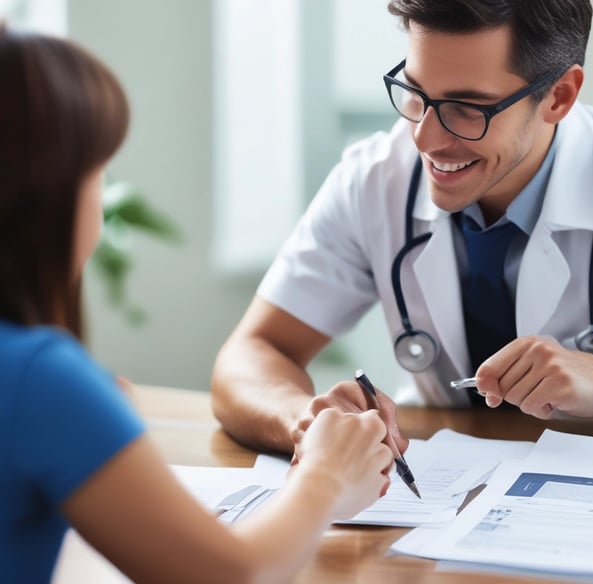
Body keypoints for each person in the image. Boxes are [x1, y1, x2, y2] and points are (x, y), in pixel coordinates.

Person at [211, 0, 593, 454]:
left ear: (559, 96)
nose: (425, 138)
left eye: (466, 108)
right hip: (441, 499)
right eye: (416, 93)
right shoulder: (375, 178)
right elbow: (251, 354)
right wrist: (306, 421)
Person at [0, 25, 393, 584]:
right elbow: (235, 575)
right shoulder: (38, 380)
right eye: (96, 173)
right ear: (46, 196)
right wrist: (328, 477)